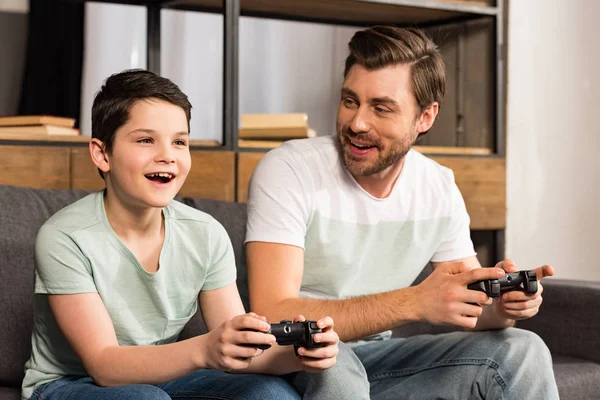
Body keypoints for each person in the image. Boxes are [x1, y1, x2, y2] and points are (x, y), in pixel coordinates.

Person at [245, 26, 560, 399]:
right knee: (338, 372)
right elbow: (271, 311)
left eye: (381, 108)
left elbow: (471, 305)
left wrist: (506, 305)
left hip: (378, 357)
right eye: (350, 101)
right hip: (296, 353)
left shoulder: (437, 187)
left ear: (425, 117)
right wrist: (415, 302)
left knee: (521, 350)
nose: (358, 123)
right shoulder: (289, 169)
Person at [21, 69, 344, 400]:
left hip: (161, 375)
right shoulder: (64, 237)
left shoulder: (205, 234)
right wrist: (204, 348)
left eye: (179, 141)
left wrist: (302, 355)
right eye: (146, 140)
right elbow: (104, 365)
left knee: (272, 394)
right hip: (71, 383)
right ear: (102, 154)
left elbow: (242, 353)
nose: (168, 154)